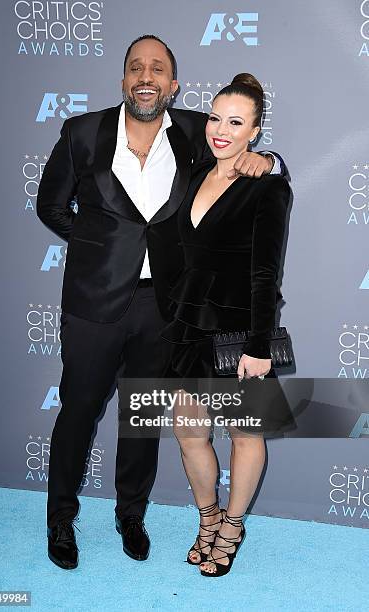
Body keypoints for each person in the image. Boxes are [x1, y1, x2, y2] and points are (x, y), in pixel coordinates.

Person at [37, 34, 284, 570]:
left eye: (158, 69)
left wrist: (270, 158)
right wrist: (96, 246)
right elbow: (50, 205)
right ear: (124, 78)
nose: (146, 77)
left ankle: (131, 515)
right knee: (78, 413)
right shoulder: (82, 132)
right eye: (135, 68)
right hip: (93, 304)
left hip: (164, 309)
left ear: (174, 84)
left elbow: (242, 142)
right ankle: (60, 519)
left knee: (142, 420)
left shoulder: (197, 130)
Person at [161, 73, 295, 577]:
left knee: (243, 435)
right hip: (189, 327)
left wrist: (259, 346)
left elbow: (266, 272)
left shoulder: (268, 187)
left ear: (255, 133)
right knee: (189, 433)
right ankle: (208, 517)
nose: (220, 129)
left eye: (236, 122)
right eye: (215, 117)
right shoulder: (197, 172)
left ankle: (233, 526)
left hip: (240, 333)